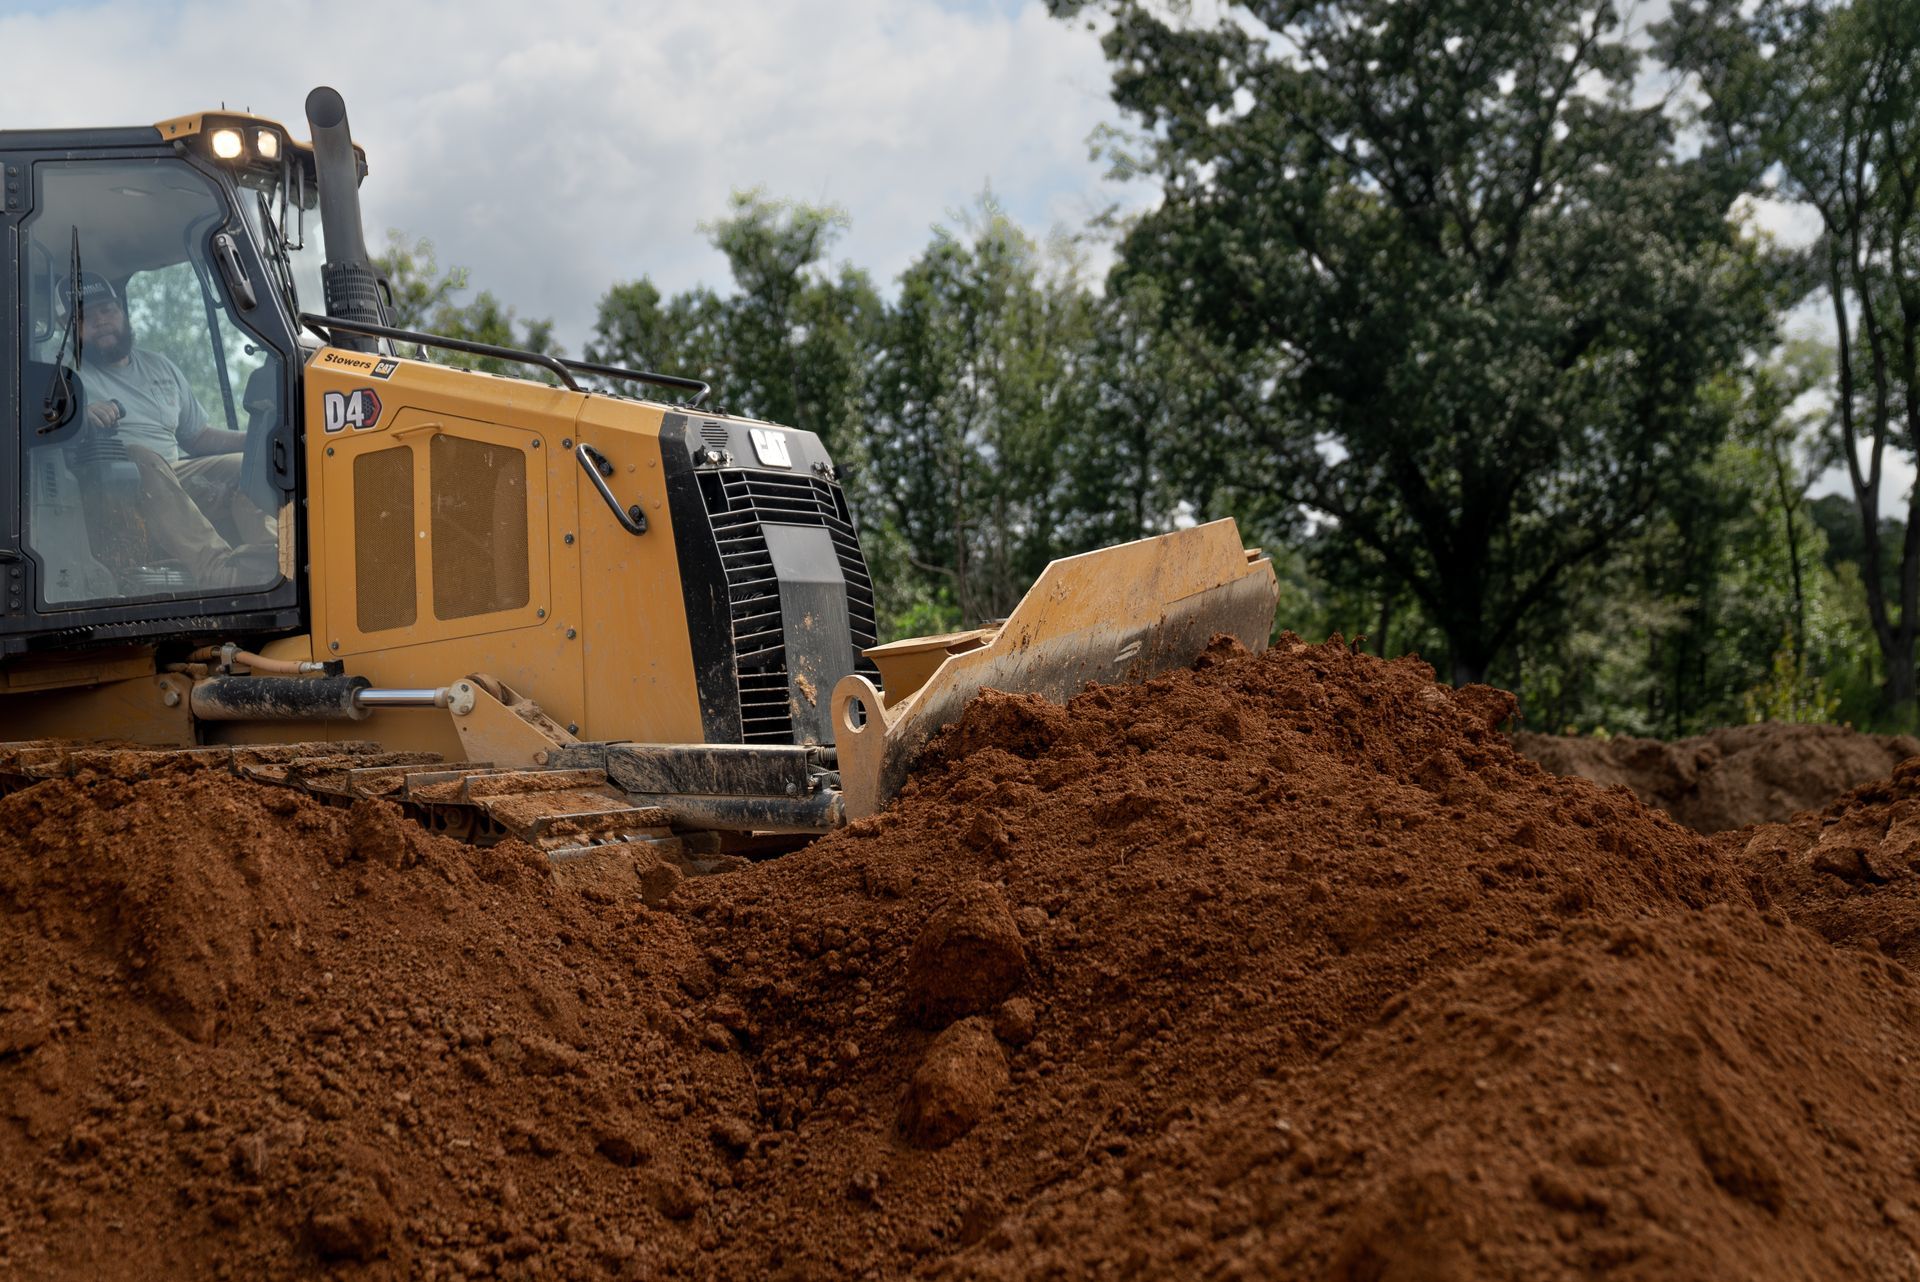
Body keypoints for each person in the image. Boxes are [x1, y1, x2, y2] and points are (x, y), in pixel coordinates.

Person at [61, 271, 276, 590]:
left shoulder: (158, 366)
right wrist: (79, 414)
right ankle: (216, 569)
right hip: (116, 491)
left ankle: (271, 562)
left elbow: (198, 437)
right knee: (138, 457)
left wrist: (259, 442)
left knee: (244, 469)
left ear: (121, 312)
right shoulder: (64, 376)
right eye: (85, 316)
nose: (100, 320)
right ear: (66, 326)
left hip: (174, 478)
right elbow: (43, 429)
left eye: (106, 310)